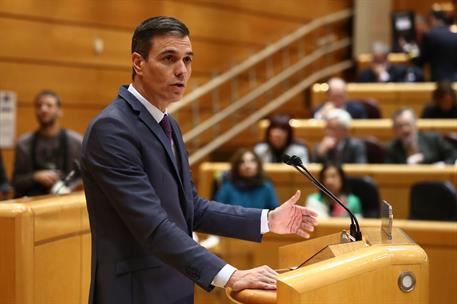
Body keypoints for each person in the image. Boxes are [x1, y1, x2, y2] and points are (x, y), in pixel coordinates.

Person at [80, 16, 318, 304]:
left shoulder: (169, 124)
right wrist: (231, 274)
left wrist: (267, 220)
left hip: (175, 287)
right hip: (135, 292)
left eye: (187, 60)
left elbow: (191, 208)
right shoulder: (112, 129)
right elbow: (152, 226)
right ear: (138, 63)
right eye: (169, 58)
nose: (181, 70)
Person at [12, 90, 82, 198]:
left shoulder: (76, 141)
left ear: (59, 111)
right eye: (39, 105)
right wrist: (35, 177)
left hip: (67, 203)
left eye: (49, 105)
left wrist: (68, 189)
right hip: (32, 205)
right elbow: (16, 182)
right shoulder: (24, 143)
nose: (43, 109)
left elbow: (86, 178)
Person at [385, 107, 457, 164]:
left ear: (415, 124)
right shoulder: (391, 148)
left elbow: (453, 154)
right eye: (400, 126)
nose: (405, 130)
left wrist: (443, 165)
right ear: (394, 129)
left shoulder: (433, 139)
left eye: (408, 124)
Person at [215, 149, 279, 209]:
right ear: (237, 166)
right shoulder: (228, 186)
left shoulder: (266, 185)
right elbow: (218, 210)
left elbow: (274, 211)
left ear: (258, 165)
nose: (247, 166)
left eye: (252, 161)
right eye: (242, 162)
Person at [413, 10, 457, 81]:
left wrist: (411, 56)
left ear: (433, 19)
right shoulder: (455, 34)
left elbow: (421, 60)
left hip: (438, 80)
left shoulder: (430, 35)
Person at [358, 41, 423, 83]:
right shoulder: (364, 75)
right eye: (375, 61)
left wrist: (383, 76)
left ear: (387, 60)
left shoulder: (398, 72)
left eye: (380, 61)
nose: (377, 66)